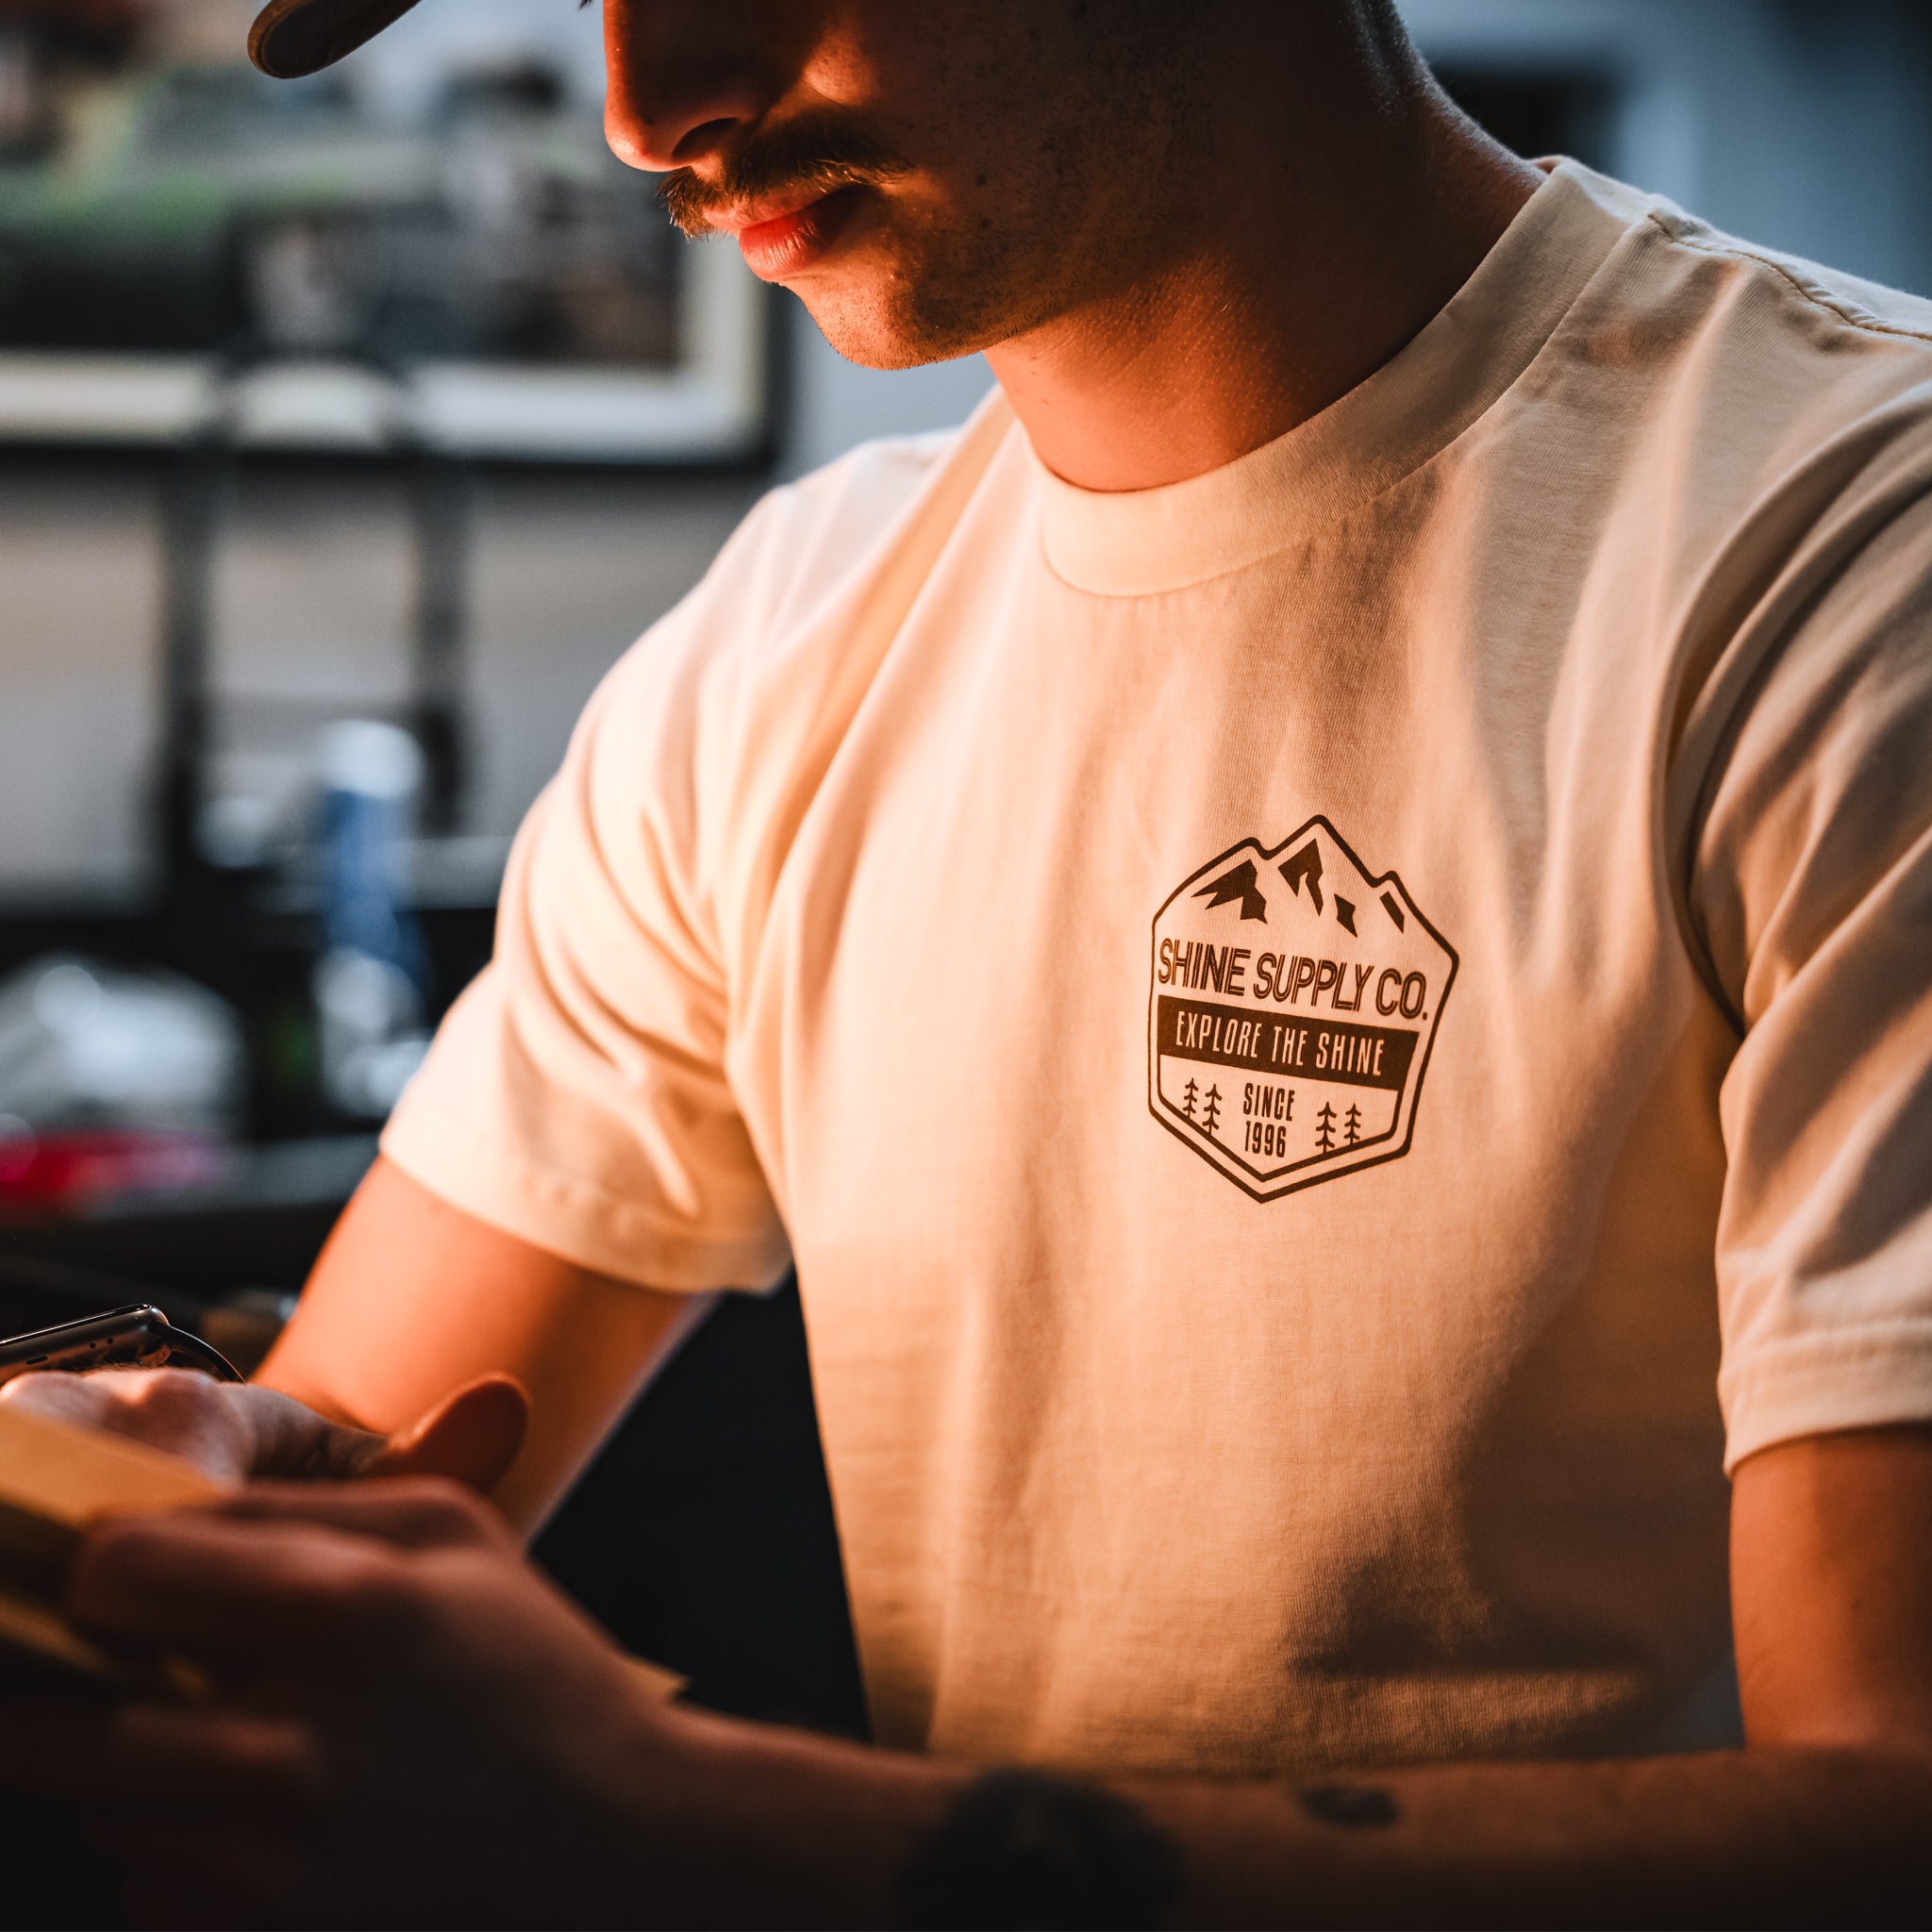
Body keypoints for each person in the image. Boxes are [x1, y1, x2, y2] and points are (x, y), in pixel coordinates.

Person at [6, 0, 1932, 1922]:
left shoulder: (1844, 553)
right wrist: (149, 1471)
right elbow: (326, 1486)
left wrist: (685, 1824)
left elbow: (1890, 1809)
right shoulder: (785, 643)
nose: (647, 110)